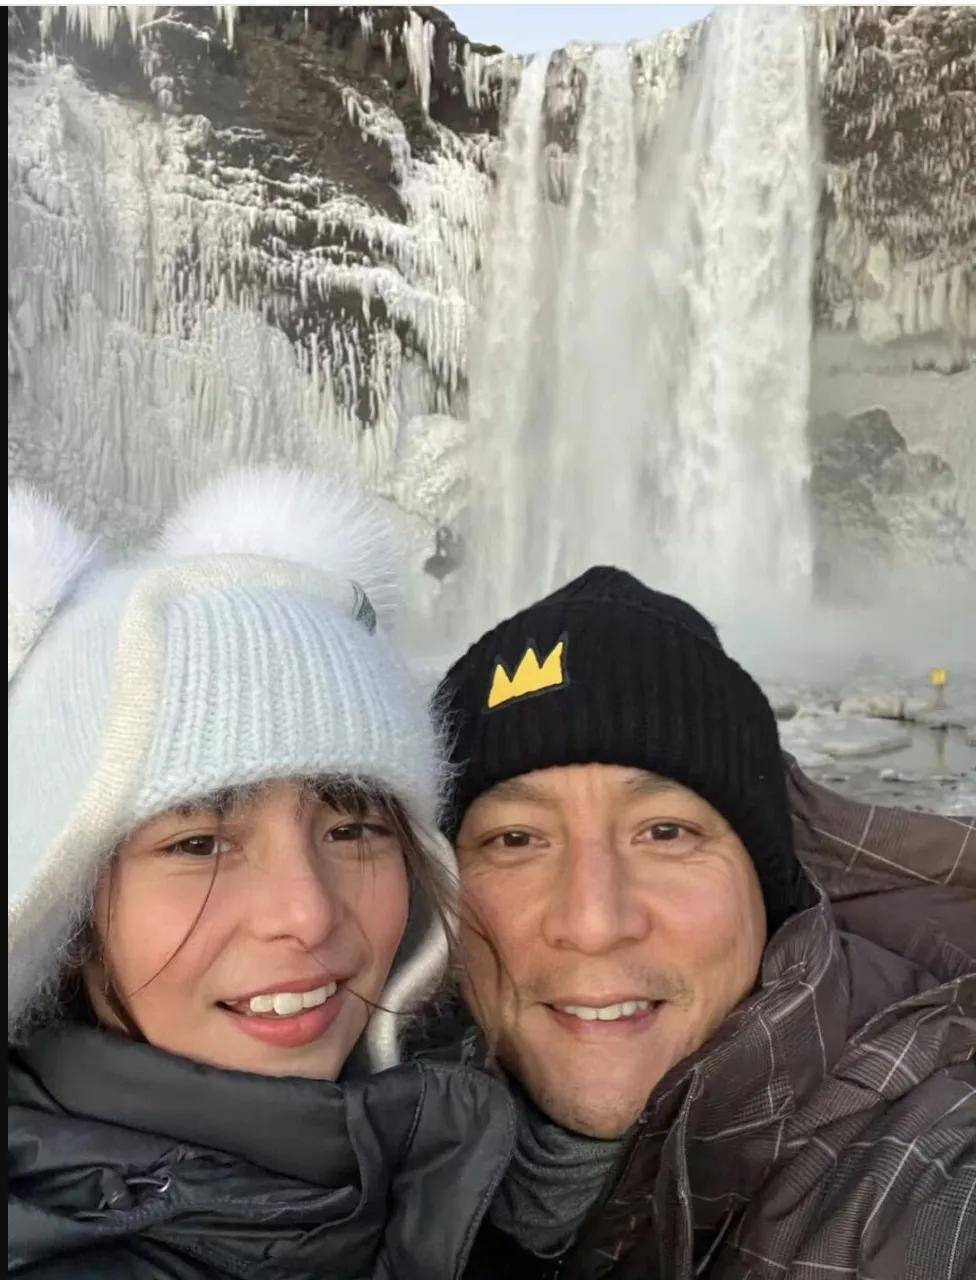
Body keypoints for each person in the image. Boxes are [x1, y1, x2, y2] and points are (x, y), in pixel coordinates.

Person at [7, 469, 514, 1279]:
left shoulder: (458, 1160)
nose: (306, 914)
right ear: (64, 913)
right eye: (200, 844)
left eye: (352, 828)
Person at [430, 565, 976, 1279]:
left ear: (768, 887)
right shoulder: (379, 1124)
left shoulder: (923, 1175)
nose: (594, 923)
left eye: (665, 833)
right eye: (516, 839)